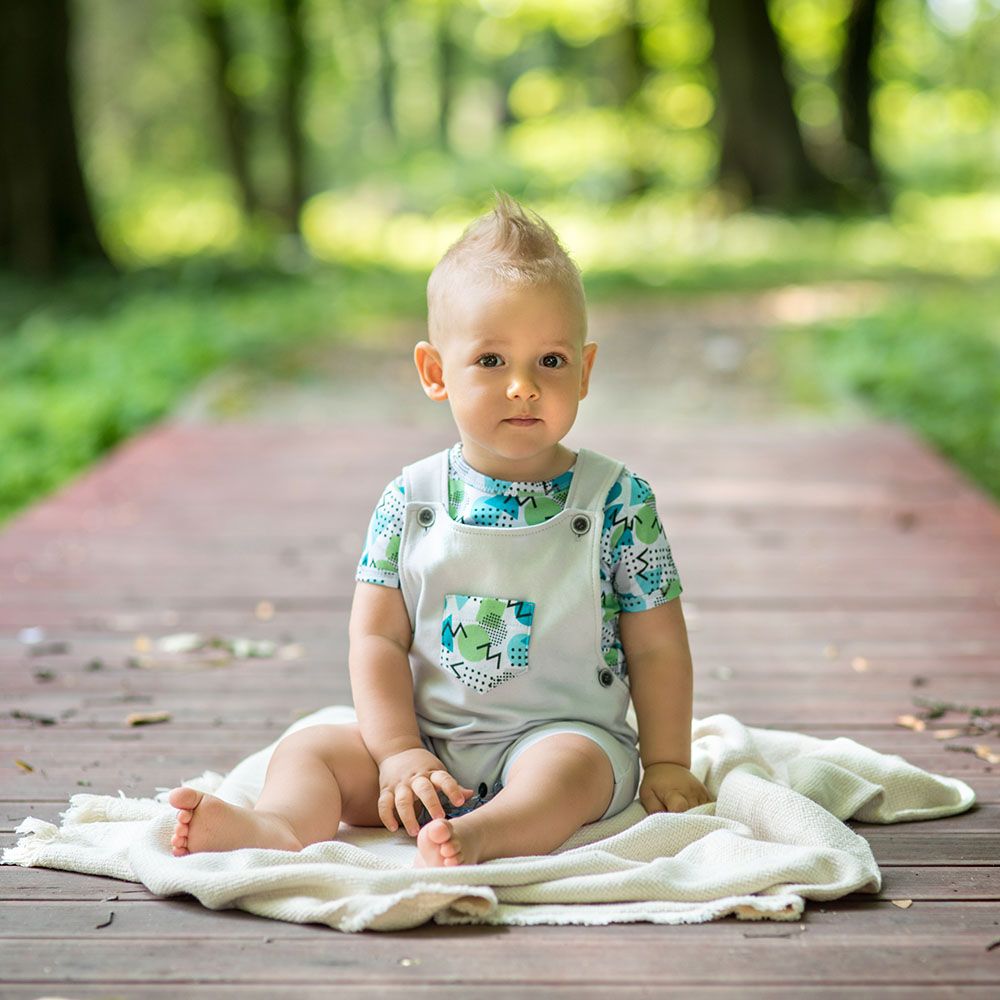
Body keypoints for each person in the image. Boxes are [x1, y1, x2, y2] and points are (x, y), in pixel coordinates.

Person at [169, 192, 711, 868]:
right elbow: (376, 637)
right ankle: (276, 827)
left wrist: (665, 761)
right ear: (435, 373)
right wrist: (398, 752)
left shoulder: (619, 501)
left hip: (561, 735)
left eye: (550, 360)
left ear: (585, 369)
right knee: (311, 748)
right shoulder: (407, 500)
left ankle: (484, 835)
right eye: (490, 361)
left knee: (567, 772)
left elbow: (658, 647)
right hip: (431, 746)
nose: (522, 386)